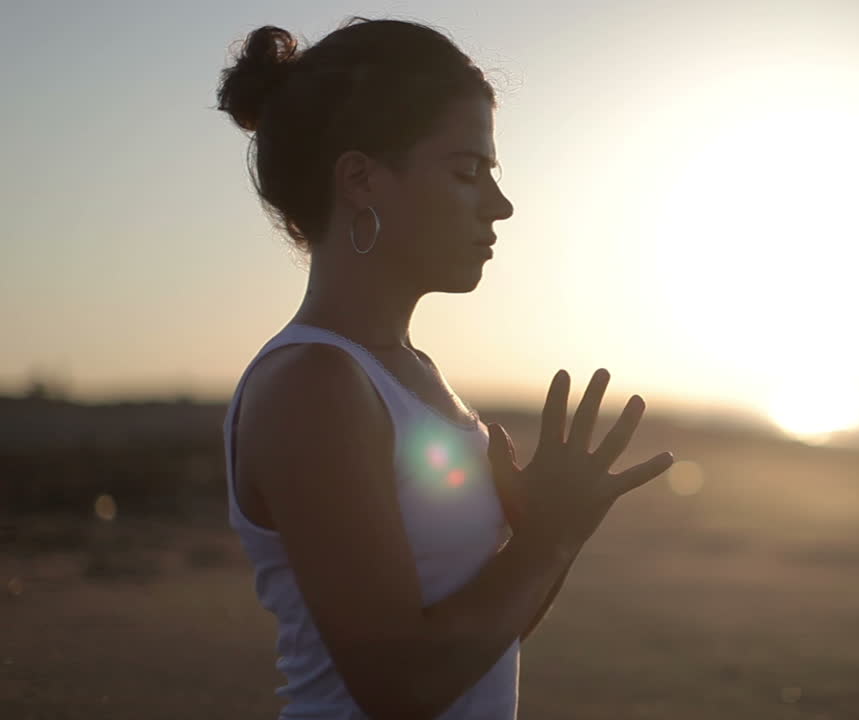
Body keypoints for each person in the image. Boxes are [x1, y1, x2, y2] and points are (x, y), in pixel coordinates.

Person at [214, 17, 675, 719]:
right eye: (468, 172)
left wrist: (550, 536)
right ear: (362, 180)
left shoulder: (410, 372)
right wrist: (546, 540)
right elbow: (398, 687)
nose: (501, 205)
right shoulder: (314, 384)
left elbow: (480, 643)